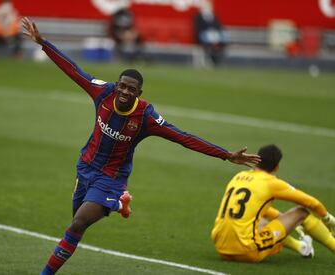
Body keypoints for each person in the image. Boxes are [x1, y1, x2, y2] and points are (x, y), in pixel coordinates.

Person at [21, 17, 261, 274]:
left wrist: (225, 155)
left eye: (131, 89)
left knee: (78, 223)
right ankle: (117, 203)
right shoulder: (103, 93)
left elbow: (184, 137)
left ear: (139, 93)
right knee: (76, 221)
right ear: (117, 85)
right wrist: (43, 43)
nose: (125, 92)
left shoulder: (146, 117)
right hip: (86, 167)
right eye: (122, 86)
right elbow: (73, 70)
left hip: (111, 178)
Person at [211, 144, 335, 262]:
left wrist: (282, 219)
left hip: (221, 249)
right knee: (301, 212)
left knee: (261, 220)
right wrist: (328, 219)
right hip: (247, 251)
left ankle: (302, 247)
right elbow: (312, 203)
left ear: (256, 160)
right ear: (277, 167)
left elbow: (255, 208)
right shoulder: (270, 182)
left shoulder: (238, 176)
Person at [193, 0, 227, 65]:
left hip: (214, 35)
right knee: (208, 42)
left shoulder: (214, 16)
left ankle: (216, 60)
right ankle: (209, 59)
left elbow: (219, 27)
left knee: (221, 40)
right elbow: (197, 29)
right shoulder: (198, 16)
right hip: (204, 36)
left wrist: (215, 36)